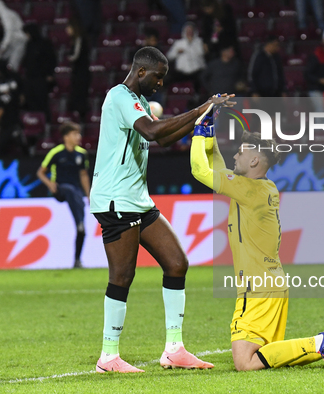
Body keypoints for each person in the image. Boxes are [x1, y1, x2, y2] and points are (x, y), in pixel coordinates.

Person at [89, 46, 233, 373]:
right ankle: (108, 356)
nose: (160, 84)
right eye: (158, 77)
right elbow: (153, 133)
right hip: (115, 200)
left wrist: (203, 114)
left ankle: (174, 350)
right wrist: (201, 107)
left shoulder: (137, 102)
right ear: (141, 72)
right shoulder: (119, 96)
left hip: (137, 199)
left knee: (177, 263)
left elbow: (164, 139)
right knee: (123, 275)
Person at [189, 120, 324, 371]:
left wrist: (197, 134)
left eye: (241, 152)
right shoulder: (261, 186)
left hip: (256, 287)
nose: (235, 155)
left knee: (245, 362)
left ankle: (320, 342)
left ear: (254, 162)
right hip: (274, 283)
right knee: (263, 356)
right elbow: (217, 168)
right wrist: (209, 135)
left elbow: (199, 170)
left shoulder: (246, 188)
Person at [37, 122, 90, 268]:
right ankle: (79, 221)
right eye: (75, 134)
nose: (78, 137)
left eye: (78, 134)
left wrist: (89, 195)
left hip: (76, 192)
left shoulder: (82, 154)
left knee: (82, 226)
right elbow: (40, 172)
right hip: (60, 190)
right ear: (66, 137)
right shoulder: (56, 152)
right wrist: (50, 184)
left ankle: (77, 258)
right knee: (70, 190)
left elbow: (83, 175)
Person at [21, 23, 56, 123]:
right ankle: (33, 125)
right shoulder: (29, 44)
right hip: (30, 79)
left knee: (42, 103)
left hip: (41, 79)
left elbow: (51, 60)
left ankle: (46, 124)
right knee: (30, 103)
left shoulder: (44, 43)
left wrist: (49, 74)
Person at [0, 0, 27, 72]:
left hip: (19, 41)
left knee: (13, 64)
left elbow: (9, 32)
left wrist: (4, 46)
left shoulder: (5, 14)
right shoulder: (9, 13)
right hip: (13, 41)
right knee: (4, 59)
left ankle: (13, 80)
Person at [165, 22, 205, 92]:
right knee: (168, 78)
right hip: (181, 72)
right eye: (188, 31)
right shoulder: (179, 43)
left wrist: (191, 44)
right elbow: (169, 56)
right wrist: (177, 52)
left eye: (191, 31)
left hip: (196, 71)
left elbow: (201, 53)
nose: (189, 33)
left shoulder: (199, 42)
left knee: (202, 79)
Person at [66, 17, 91, 122]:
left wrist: (68, 57)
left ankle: (81, 117)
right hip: (79, 72)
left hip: (81, 73)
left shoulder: (79, 39)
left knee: (80, 95)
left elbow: (75, 56)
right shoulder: (77, 40)